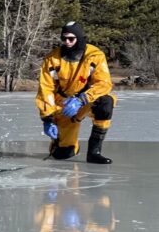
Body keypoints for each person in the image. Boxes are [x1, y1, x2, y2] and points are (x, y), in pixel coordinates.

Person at [36, 21, 116, 164]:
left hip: (86, 101)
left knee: (105, 103)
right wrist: (47, 119)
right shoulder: (52, 59)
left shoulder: (95, 55)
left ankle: (94, 153)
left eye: (71, 38)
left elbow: (104, 83)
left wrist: (81, 99)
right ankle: (66, 144)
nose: (67, 42)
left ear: (79, 37)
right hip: (64, 106)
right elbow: (45, 88)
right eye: (64, 38)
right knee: (63, 154)